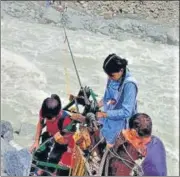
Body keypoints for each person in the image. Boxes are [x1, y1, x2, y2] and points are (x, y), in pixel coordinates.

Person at [96, 53, 138, 147]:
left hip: (122, 122)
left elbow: (126, 112)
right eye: (108, 76)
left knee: (110, 146)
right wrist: (97, 105)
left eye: (112, 76)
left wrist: (104, 114)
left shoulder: (130, 85)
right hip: (110, 114)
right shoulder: (112, 77)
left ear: (121, 70)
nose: (110, 78)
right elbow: (107, 97)